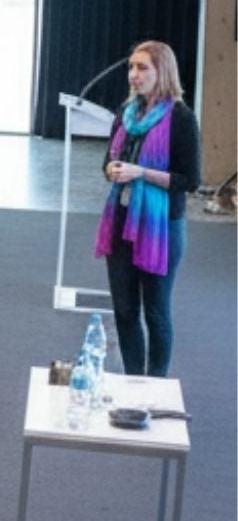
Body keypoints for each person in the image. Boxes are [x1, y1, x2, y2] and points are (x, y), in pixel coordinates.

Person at [95, 41, 202, 377]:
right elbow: (107, 162)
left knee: (155, 312)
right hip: (121, 220)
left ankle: (156, 385)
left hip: (162, 227)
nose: (134, 74)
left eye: (142, 68)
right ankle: (133, 380)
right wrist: (112, 169)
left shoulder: (181, 118)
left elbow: (190, 180)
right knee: (125, 311)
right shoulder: (125, 114)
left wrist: (141, 173)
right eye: (132, 67)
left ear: (162, 72)